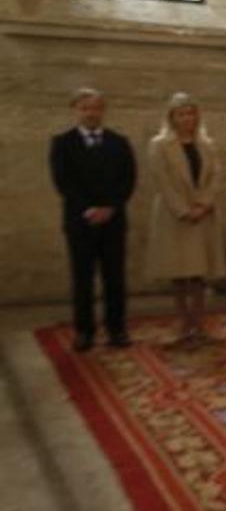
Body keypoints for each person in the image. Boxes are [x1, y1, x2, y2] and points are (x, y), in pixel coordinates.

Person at [48, 88, 137, 351]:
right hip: (80, 221)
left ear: (103, 111)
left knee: (114, 277)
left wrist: (111, 207)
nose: (91, 113)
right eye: (85, 108)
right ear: (76, 110)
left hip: (113, 220)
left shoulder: (119, 142)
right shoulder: (62, 143)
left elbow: (128, 179)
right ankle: (84, 331)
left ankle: (117, 329)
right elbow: (62, 181)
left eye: (96, 107)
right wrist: (87, 208)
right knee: (82, 278)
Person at [146, 92, 226, 342]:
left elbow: (215, 176)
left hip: (202, 214)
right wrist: (183, 209)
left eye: (191, 113)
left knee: (199, 273)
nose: (187, 118)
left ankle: (199, 322)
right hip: (176, 216)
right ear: (172, 117)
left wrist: (204, 203)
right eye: (181, 114)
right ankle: (184, 323)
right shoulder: (160, 144)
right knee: (180, 272)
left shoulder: (207, 144)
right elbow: (162, 180)